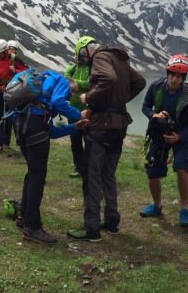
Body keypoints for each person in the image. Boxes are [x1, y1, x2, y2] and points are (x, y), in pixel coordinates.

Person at [67, 40, 146, 242]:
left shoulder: (101, 57)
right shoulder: (119, 58)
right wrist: (118, 101)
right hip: (119, 124)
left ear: (87, 50)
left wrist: (89, 97)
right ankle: (112, 222)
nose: (84, 61)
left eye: (83, 56)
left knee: (92, 175)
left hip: (101, 126)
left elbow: (108, 79)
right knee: (108, 175)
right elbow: (139, 82)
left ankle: (92, 229)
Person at [12, 71, 89, 244]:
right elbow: (58, 102)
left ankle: (24, 216)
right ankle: (32, 227)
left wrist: (74, 127)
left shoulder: (39, 100)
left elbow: (50, 132)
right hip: (34, 126)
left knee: (32, 173)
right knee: (38, 177)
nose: (71, 95)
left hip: (19, 124)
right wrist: (78, 115)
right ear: (69, 85)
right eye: (71, 92)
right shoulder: (61, 81)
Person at [139, 54, 188, 227]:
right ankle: (156, 205)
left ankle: (184, 209)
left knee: (182, 168)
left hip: (182, 134)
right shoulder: (156, 87)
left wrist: (179, 137)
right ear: (167, 72)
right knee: (152, 170)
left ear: (183, 78)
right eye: (172, 74)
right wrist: (154, 115)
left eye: (178, 76)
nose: (174, 79)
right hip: (159, 131)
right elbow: (145, 106)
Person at [0, 39, 28, 152]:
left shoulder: (14, 59)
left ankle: (12, 142)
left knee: (11, 117)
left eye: (0, 52)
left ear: (5, 50)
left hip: (10, 92)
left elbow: (27, 71)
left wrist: (15, 70)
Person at [64, 36, 96, 178]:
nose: (79, 58)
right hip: (73, 110)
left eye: (81, 56)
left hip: (87, 110)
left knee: (88, 140)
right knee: (75, 141)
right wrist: (75, 81)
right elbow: (66, 79)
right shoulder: (72, 68)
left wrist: (75, 83)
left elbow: (89, 84)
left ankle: (88, 168)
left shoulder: (92, 69)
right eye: (78, 55)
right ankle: (78, 167)